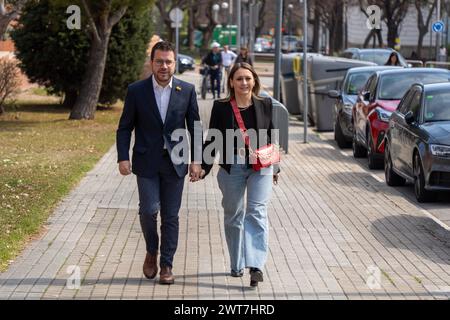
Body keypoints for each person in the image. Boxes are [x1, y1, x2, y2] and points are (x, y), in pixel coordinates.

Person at [116, 41, 202, 285]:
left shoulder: (186, 90)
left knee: (171, 216)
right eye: (159, 61)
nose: (164, 66)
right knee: (149, 210)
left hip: (176, 162)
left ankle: (166, 265)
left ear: (174, 63)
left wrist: (196, 160)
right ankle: (151, 250)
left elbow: (195, 127)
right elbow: (124, 127)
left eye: (168, 61)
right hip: (146, 161)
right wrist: (123, 157)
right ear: (151, 63)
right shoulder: (136, 90)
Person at [200, 62, 280, 287]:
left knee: (256, 211)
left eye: (248, 78)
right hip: (232, 166)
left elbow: (271, 134)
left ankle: (255, 266)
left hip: (260, 166)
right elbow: (212, 138)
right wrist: (203, 168)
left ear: (254, 81)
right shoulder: (221, 106)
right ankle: (237, 264)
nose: (244, 83)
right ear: (231, 82)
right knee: (234, 215)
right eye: (239, 79)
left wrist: (276, 166)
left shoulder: (265, 103)